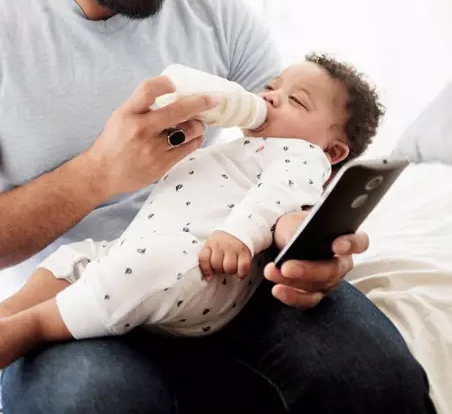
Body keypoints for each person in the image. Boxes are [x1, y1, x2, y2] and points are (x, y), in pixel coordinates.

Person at [0, 0, 439, 414]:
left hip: (236, 283)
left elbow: (295, 153)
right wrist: (97, 174)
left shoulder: (218, 15)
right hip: (89, 295)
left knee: (377, 390)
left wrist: (313, 247)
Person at [0, 54, 384, 362]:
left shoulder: (304, 156)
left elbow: (278, 198)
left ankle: (33, 325)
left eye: (296, 101)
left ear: (332, 151)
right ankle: (11, 309)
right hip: (143, 251)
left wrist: (241, 234)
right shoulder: (240, 150)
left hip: (201, 268)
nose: (269, 97)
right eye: (271, 87)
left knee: (154, 264)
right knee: (79, 255)